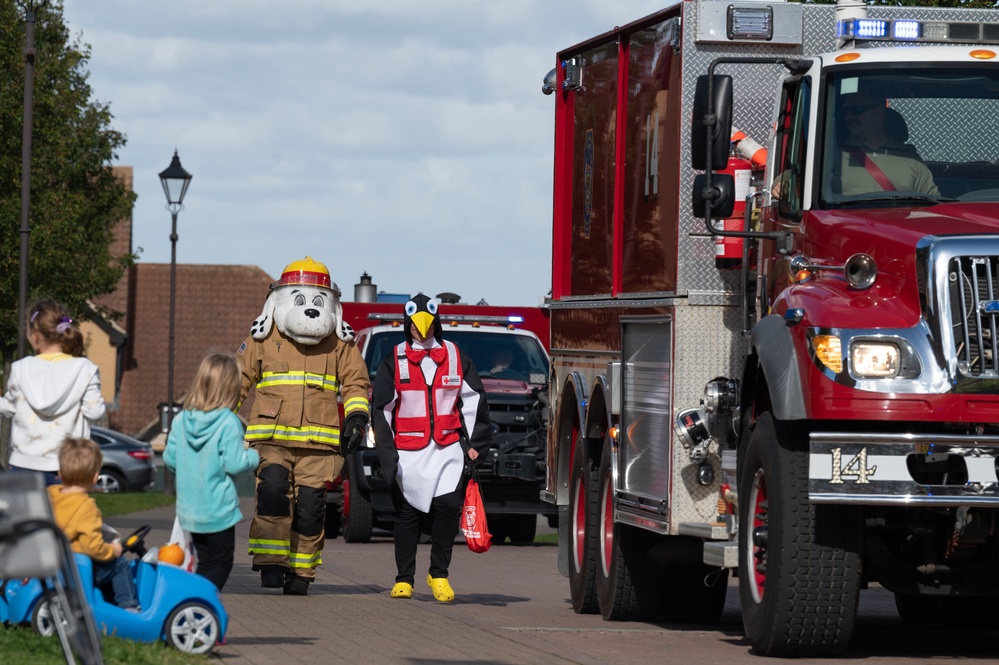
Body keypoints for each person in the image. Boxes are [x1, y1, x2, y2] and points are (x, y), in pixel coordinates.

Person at [238, 257, 370, 596]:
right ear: (281, 299)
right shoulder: (263, 336)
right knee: (272, 494)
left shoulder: (341, 343)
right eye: (300, 298)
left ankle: (301, 572)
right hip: (271, 439)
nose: (310, 308)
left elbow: (356, 383)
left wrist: (357, 417)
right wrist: (218, 418)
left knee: (311, 509)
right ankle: (270, 563)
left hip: (319, 444)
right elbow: (237, 380)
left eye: (318, 299)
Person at [372, 293, 492, 602]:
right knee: (407, 515)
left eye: (425, 326)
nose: (420, 332)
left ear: (435, 323)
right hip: (407, 453)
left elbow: (474, 399)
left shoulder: (455, 355)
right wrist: (387, 452)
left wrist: (476, 442)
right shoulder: (394, 358)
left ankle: (439, 574)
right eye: (414, 326)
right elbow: (382, 409)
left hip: (447, 448)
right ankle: (404, 579)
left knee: (448, 508)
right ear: (407, 324)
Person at [164, 350, 260, 591]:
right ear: (231, 389)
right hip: (218, 511)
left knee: (205, 562)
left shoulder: (181, 420)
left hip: (189, 510)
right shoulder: (228, 422)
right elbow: (235, 463)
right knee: (220, 563)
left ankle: (193, 602)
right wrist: (253, 456)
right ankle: (198, 602)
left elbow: (170, 459)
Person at [0, 300, 106, 485]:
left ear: (35, 335)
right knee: (67, 514)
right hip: (68, 465)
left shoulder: (20, 369)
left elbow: (9, 408)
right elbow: (95, 411)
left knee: (25, 515)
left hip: (23, 463)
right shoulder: (84, 369)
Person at [48, 437, 140, 611]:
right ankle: (129, 606)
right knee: (119, 563)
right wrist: (113, 550)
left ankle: (107, 600)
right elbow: (92, 547)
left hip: (57, 563)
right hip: (78, 570)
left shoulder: (50, 496)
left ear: (60, 472)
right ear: (95, 477)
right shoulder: (86, 506)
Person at [832, 90, 939, 197]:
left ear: (879, 111)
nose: (849, 116)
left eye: (857, 109)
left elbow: (932, 201)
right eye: (846, 110)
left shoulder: (910, 158)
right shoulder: (832, 156)